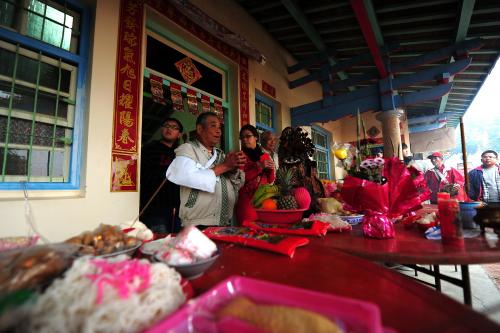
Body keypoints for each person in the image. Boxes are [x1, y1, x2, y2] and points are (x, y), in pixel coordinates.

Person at [166, 112, 246, 228]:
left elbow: (238, 185)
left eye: (219, 127)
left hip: (223, 221)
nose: (218, 131)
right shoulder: (188, 149)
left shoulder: (221, 155)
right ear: (200, 129)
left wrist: (234, 169)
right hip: (198, 223)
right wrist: (225, 166)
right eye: (213, 126)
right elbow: (185, 175)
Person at [140, 117, 183, 233]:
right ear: (161, 129)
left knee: (176, 242)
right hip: (154, 206)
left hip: (176, 207)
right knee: (157, 243)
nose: (169, 129)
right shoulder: (149, 149)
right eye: (167, 126)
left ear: (179, 134)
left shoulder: (181, 153)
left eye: (174, 127)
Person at [236, 125, 275, 224]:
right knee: (248, 233)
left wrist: (270, 169)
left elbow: (270, 180)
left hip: (264, 200)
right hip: (247, 202)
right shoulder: (240, 156)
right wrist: (259, 167)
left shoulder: (264, 155)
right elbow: (240, 179)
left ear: (256, 137)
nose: (245, 140)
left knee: (265, 232)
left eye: (248, 136)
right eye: (242, 137)